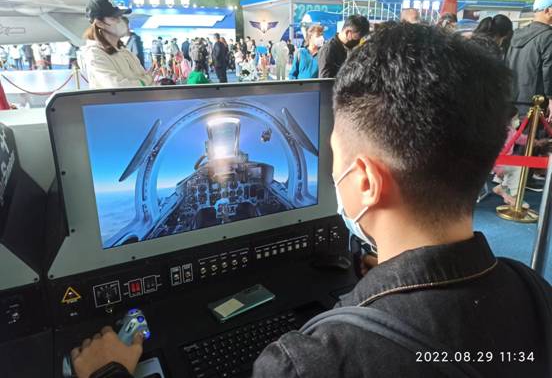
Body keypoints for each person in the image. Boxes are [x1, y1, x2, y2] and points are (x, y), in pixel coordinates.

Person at [70, 23, 552, 378]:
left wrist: (109, 374)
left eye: (335, 158)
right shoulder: (535, 293)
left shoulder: (310, 363)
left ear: (365, 181)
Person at [81, 0, 153, 89]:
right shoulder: (95, 54)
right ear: (99, 24)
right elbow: (118, 87)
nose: (120, 21)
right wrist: (147, 80)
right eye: (114, 18)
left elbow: (142, 77)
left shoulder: (124, 50)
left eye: (120, 17)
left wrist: (146, 80)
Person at [508, 0, 552, 120]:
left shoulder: (516, 33)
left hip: (512, 100)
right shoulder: (548, 37)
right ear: (548, 11)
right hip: (536, 104)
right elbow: (549, 70)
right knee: (535, 134)